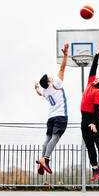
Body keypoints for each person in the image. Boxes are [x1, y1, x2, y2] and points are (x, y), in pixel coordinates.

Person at [34, 43, 69, 175]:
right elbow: (62, 68)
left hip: (50, 117)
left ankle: (42, 160)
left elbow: (39, 92)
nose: (52, 78)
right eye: (50, 78)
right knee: (56, 136)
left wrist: (36, 87)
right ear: (49, 82)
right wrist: (65, 55)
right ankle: (46, 159)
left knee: (47, 139)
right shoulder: (56, 85)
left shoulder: (45, 91)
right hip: (60, 116)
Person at [80, 47, 99, 181]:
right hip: (84, 119)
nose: (97, 77)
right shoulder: (90, 84)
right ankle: (95, 168)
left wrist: (93, 123)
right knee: (89, 144)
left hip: (94, 119)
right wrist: (96, 56)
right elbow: (93, 70)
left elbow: (97, 109)